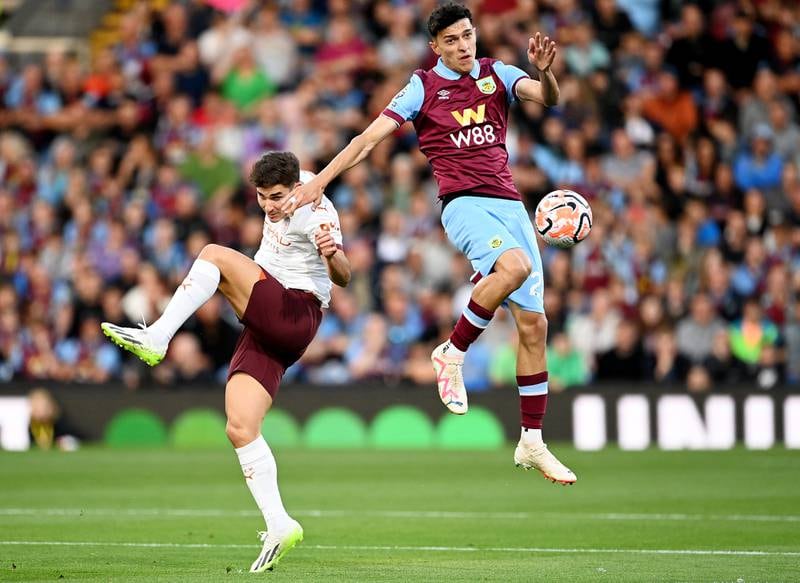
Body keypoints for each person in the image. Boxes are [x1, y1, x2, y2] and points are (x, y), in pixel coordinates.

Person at [283, 3, 575, 484]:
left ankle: (531, 441)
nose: (464, 46)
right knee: (517, 267)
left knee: (534, 327)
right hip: (463, 203)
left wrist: (546, 74)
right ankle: (451, 353)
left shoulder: (497, 73)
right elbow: (366, 140)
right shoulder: (422, 86)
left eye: (468, 35)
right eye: (453, 40)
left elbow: (549, 99)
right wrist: (323, 181)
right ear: (435, 46)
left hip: (510, 207)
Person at [101, 151, 350, 572]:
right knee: (240, 428)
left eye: (277, 196)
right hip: (267, 324)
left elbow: (343, 276)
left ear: (294, 186)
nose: (269, 206)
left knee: (214, 254)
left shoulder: (316, 209)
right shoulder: (275, 197)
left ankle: (157, 337)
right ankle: (279, 524)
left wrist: (331, 253)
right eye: (261, 197)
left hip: (294, 309)